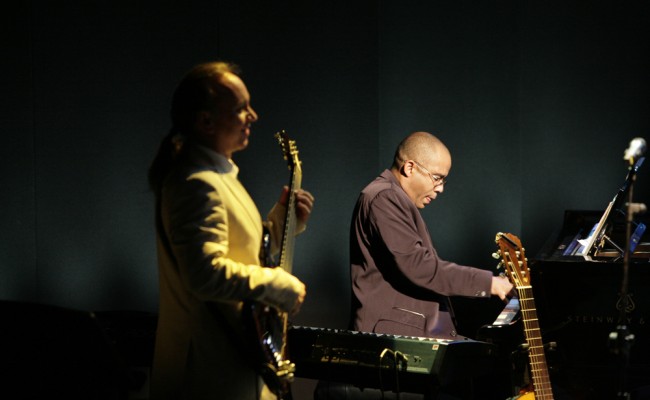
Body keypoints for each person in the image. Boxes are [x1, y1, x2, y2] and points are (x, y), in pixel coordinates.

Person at [148, 61, 314, 400]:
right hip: (209, 374)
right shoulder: (197, 183)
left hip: (225, 369)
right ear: (206, 122)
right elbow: (203, 273)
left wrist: (280, 224)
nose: (253, 116)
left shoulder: (216, 177)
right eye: (241, 108)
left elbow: (239, 251)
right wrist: (276, 285)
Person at [313, 132, 513, 399]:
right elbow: (419, 267)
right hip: (392, 347)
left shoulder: (394, 198)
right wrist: (489, 283)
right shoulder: (384, 197)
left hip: (416, 340)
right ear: (410, 168)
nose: (440, 189)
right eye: (437, 178)